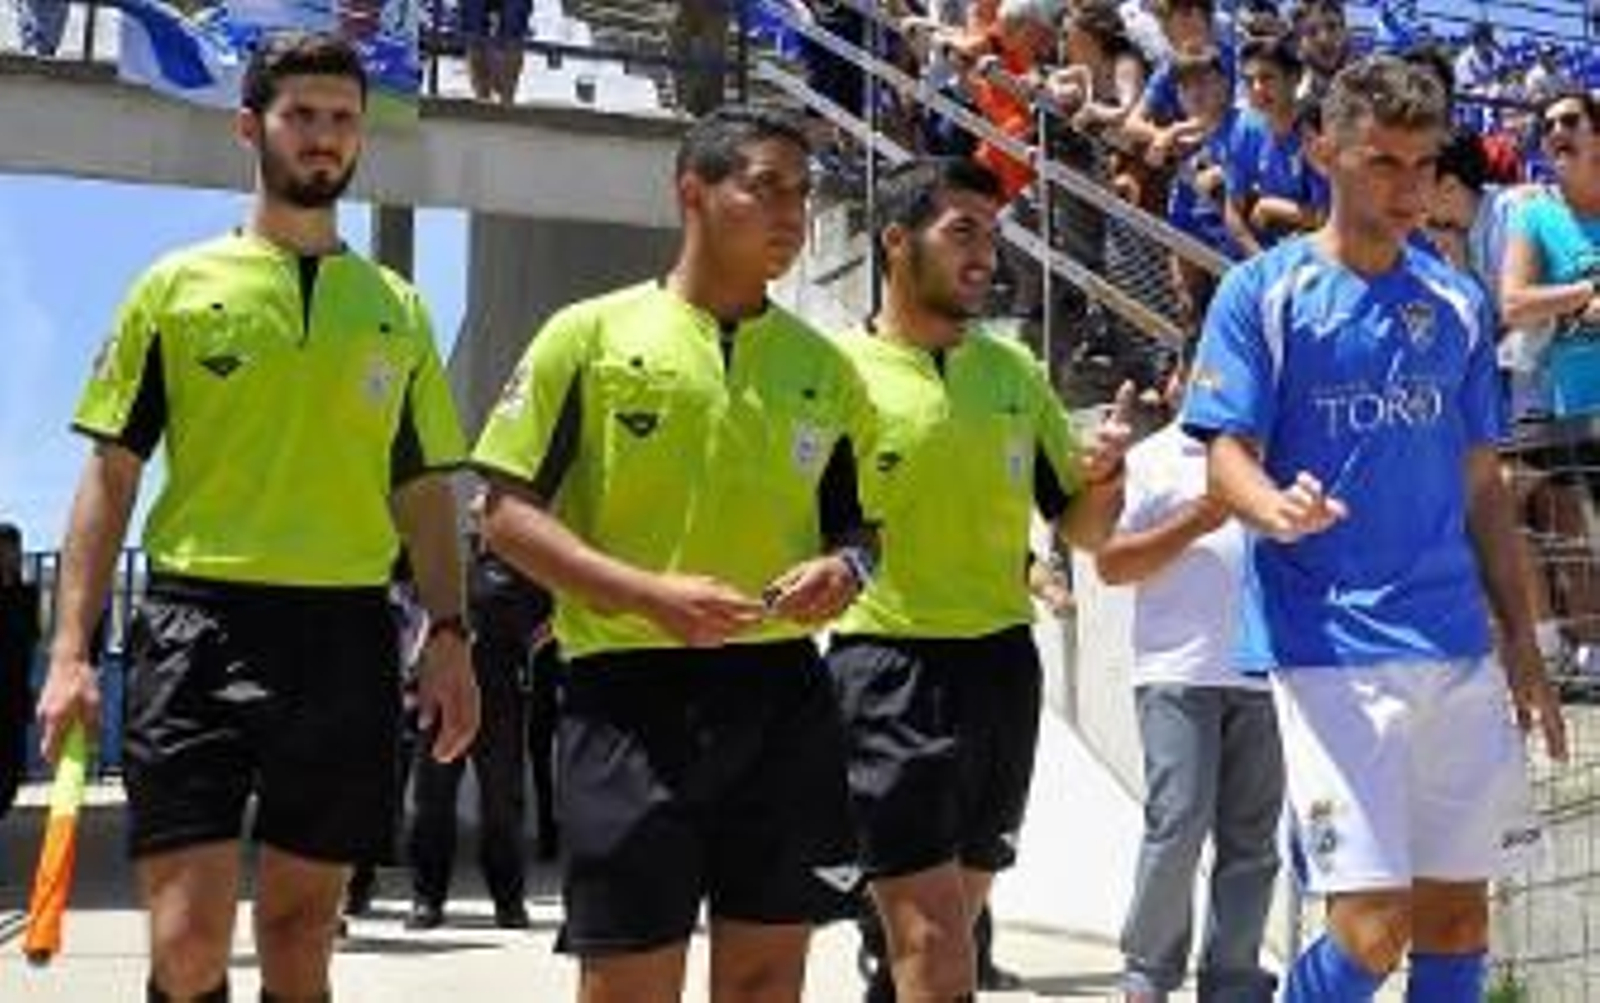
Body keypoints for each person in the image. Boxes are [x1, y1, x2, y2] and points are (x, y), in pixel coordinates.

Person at [33, 33, 481, 1003]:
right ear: (251, 128)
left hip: (343, 634)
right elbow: (109, 475)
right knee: (189, 945)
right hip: (196, 626)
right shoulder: (175, 289)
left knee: (299, 934)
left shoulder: (395, 308)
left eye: (342, 120)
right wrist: (71, 650)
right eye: (302, 116)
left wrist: (448, 633)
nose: (324, 138)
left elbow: (422, 493)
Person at [1181, 55, 1568, 1001]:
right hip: (1329, 648)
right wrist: (1270, 505)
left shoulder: (1457, 301)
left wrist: (1522, 637)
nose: (1408, 188)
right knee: (1370, 929)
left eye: (1423, 164)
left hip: (1454, 641)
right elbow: (1224, 448)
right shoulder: (1262, 294)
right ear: (1324, 151)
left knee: (1457, 920)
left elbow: (1485, 485)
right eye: (1382, 162)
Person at [471, 104, 872, 1003]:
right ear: (692, 191)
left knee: (770, 980)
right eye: (764, 188)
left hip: (781, 695)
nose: (790, 216)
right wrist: (645, 594)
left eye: (802, 196)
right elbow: (502, 513)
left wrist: (846, 570)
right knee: (628, 983)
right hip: (628, 694)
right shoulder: (589, 336)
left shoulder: (826, 368)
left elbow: (860, 532)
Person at [829, 157, 1131, 1003]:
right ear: (896, 242)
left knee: (939, 942)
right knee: (933, 948)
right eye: (962, 231)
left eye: (992, 236)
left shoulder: (1012, 373)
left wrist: (1106, 476)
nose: (985, 256)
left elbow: (1083, 527)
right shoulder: (832, 374)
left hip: (1002, 670)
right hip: (886, 668)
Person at [1096, 351, 1282, 1003]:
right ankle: (1148, 972)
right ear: (1173, 382)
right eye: (1200, 369)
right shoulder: (1148, 460)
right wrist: (1201, 516)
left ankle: (1233, 977)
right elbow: (1112, 565)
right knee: (1178, 822)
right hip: (1177, 674)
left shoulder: (1276, 447)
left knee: (1253, 839)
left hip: (1266, 675)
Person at [406, 496, 554, 931]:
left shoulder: (523, 573)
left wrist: (526, 652)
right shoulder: (448, 571)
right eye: (474, 516)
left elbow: (553, 618)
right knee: (431, 802)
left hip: (501, 699)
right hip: (439, 699)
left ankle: (509, 902)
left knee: (502, 805)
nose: (478, 521)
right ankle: (426, 901)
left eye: (485, 514)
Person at [0, 522, 41, 820]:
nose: (8, 554)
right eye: (3, 547)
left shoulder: (27, 594)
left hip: (14, 697)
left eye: (13, 547)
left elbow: (32, 638)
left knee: (11, 777)